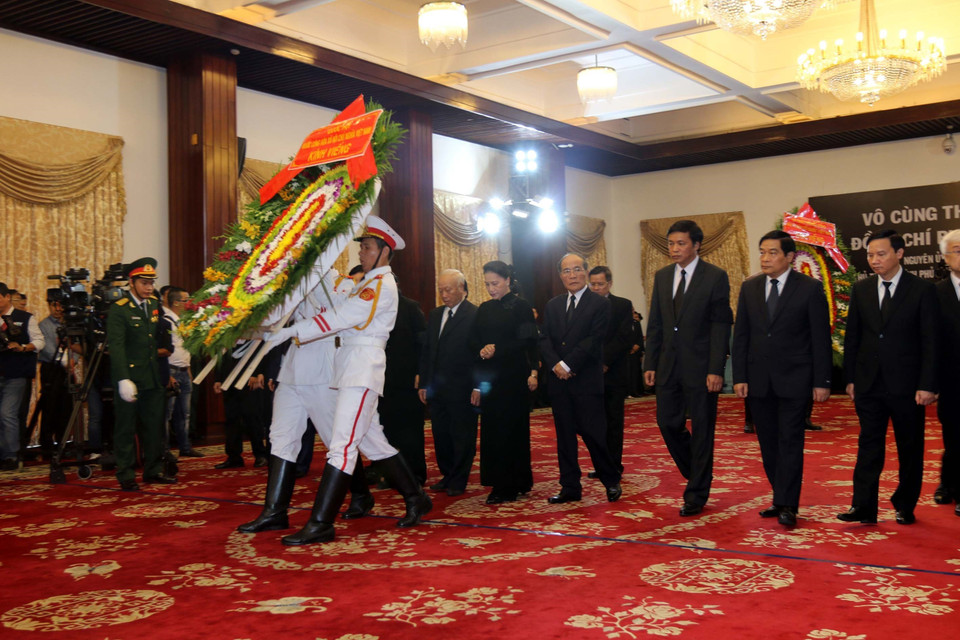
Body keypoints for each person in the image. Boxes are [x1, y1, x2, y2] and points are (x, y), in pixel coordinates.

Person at [259, 216, 431, 545]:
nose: (361, 253)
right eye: (362, 247)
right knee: (372, 442)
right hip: (349, 366)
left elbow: (339, 318)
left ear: (384, 251)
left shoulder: (381, 285)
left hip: (362, 367)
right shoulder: (367, 283)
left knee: (342, 445)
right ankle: (415, 497)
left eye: (367, 248)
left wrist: (290, 332)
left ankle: (321, 522)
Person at [732, 230, 832, 527]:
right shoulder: (750, 288)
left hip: (795, 379)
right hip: (759, 380)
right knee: (768, 443)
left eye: (772, 252)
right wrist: (739, 376)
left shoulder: (809, 288)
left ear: (789, 257)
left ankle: (788, 503)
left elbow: (820, 338)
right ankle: (779, 496)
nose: (765, 258)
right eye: (762, 252)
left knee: (790, 440)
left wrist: (822, 381)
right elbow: (742, 336)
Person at [839, 229, 938, 525]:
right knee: (869, 445)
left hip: (907, 386)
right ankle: (863, 506)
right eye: (870, 255)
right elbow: (853, 337)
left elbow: (931, 341)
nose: (874, 260)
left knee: (910, 447)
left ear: (899, 253)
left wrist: (927, 384)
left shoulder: (922, 289)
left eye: (881, 254)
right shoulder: (862, 289)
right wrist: (850, 378)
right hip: (869, 383)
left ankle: (905, 505)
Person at [643, 220, 732, 516]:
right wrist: (650, 362)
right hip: (668, 365)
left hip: (702, 368)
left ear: (696, 245)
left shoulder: (715, 276)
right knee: (667, 423)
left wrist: (716, 368)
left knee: (703, 429)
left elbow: (720, 326)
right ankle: (697, 471)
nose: (674, 249)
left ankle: (696, 493)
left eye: (681, 243)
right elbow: (656, 323)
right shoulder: (662, 276)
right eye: (671, 243)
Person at [539, 254, 621, 504]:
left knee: (594, 435)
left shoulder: (599, 303)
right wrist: (555, 365)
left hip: (586, 381)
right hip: (559, 382)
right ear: (560, 275)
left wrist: (567, 364)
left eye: (576, 269)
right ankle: (569, 487)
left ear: (585, 272)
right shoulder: (553, 305)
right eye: (566, 271)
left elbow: (593, 339)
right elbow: (544, 338)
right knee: (565, 438)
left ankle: (611, 480)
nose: (572, 275)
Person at [470, 261, 538, 504]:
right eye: (487, 284)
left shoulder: (521, 306)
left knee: (512, 431)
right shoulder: (484, 308)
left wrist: (497, 349)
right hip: (491, 380)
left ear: (508, 280)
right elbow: (473, 340)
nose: (491, 289)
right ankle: (499, 481)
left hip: (513, 378)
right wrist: (482, 351)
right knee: (493, 432)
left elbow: (528, 341)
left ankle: (514, 483)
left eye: (495, 283)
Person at [106, 258, 176, 490]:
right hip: (131, 377)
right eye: (144, 283)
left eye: (151, 282)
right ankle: (126, 474)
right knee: (126, 428)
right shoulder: (119, 309)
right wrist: (123, 378)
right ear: (132, 282)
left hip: (152, 377)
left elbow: (154, 340)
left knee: (154, 427)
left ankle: (153, 470)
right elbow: (117, 347)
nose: (149, 287)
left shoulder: (154, 304)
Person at [419, 269, 478, 497]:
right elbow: (428, 351)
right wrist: (424, 383)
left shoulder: (474, 314)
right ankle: (447, 474)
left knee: (462, 434)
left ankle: (459, 479)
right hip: (437, 388)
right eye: (441, 290)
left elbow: (479, 355)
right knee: (441, 434)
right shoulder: (435, 315)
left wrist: (477, 386)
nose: (444, 295)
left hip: (463, 388)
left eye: (449, 290)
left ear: (462, 288)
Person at [587, 265, 635, 477]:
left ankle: (614, 466)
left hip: (614, 373)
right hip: (589, 373)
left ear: (610, 283)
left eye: (600, 284)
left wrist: (604, 361)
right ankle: (600, 465)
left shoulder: (623, 305)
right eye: (593, 284)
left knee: (613, 422)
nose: (596, 288)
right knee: (594, 423)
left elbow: (624, 338)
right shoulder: (584, 305)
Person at [377, 287, 427, 485]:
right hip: (383, 380)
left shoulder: (410, 307)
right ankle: (392, 475)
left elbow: (423, 343)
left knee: (410, 431)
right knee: (387, 429)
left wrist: (421, 372)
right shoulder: (375, 307)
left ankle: (415, 475)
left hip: (408, 380)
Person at [0, 282, 44, 471]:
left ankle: (11, 455)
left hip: (16, 374)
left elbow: (40, 341)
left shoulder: (25, 318)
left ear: (7, 297)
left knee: (7, 413)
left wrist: (24, 347)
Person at [213, 340, 271, 469]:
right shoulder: (227, 334)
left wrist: (257, 373)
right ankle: (234, 457)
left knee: (252, 417)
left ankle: (260, 455)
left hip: (249, 380)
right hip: (228, 381)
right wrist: (218, 379)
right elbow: (221, 356)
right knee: (231, 419)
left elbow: (262, 352)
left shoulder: (255, 333)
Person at [934, 228, 960, 516]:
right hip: (950, 377)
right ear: (945, 257)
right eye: (958, 250)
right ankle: (947, 482)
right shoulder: (935, 293)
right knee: (952, 434)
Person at [162, 286, 202, 457]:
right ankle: (165, 451)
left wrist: (188, 368)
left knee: (184, 413)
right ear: (176, 302)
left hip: (184, 370)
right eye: (186, 300)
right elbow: (164, 350)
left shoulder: (183, 321)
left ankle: (185, 447)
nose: (189, 304)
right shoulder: (166, 321)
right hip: (171, 371)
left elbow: (184, 348)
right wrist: (166, 374)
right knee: (167, 414)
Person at [37, 298, 74, 455]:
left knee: (66, 407)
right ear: (49, 306)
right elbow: (47, 349)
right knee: (49, 406)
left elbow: (77, 345)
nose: (58, 309)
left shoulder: (70, 324)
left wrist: (72, 360)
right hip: (51, 368)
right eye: (54, 305)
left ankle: (63, 442)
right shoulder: (44, 325)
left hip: (68, 370)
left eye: (61, 305)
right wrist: (65, 360)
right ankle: (46, 444)